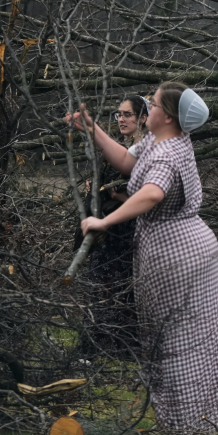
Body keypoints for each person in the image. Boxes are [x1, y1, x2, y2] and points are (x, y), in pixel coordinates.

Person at [69, 82, 218, 435]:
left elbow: (151, 193)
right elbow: (126, 161)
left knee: (176, 338)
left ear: (167, 116)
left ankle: (187, 426)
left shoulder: (167, 155)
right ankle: (203, 420)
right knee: (197, 334)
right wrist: (92, 128)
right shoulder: (162, 141)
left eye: (152, 103)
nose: (146, 107)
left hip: (175, 253)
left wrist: (103, 220)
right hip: (187, 247)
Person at [76, 95, 150, 356]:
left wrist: (120, 196)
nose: (121, 119)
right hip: (108, 229)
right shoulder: (118, 147)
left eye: (127, 114)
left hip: (130, 229)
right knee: (99, 285)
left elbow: (151, 196)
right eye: (119, 114)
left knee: (126, 287)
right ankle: (94, 347)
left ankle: (124, 347)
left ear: (143, 118)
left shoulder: (149, 150)